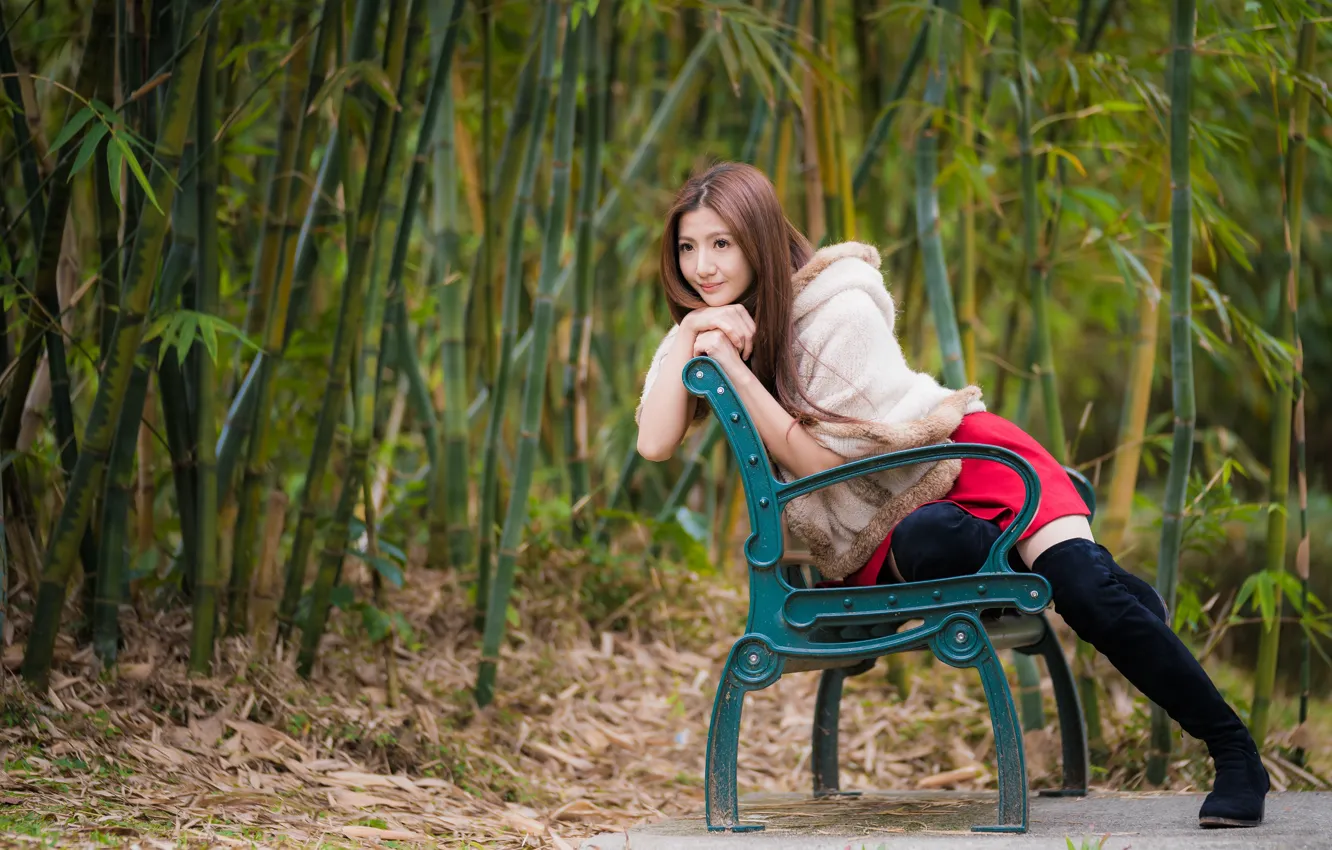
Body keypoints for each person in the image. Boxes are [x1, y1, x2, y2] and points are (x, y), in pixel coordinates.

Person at [634, 161, 1268, 829]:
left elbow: (822, 456)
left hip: (963, 459)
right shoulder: (711, 325)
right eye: (687, 245)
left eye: (721, 243)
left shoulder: (836, 309)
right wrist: (687, 335)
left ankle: (1234, 753)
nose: (702, 265)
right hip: (889, 520)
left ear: (758, 237)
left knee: (1087, 593)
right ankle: (1084, 580)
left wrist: (732, 364)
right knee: (938, 542)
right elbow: (653, 442)